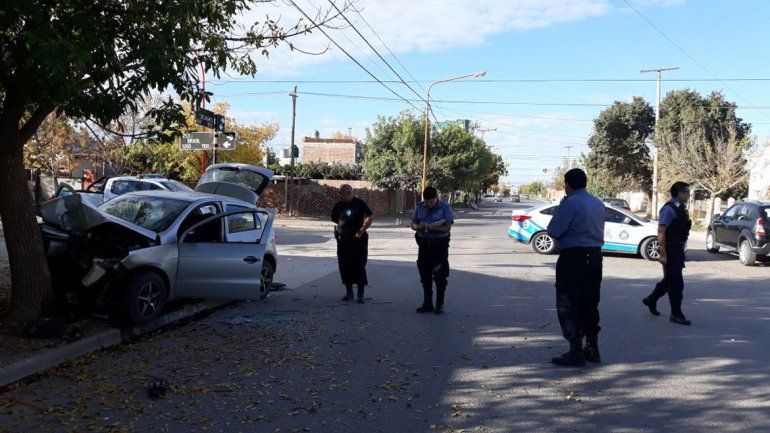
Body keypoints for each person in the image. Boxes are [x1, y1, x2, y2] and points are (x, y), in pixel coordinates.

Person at [546, 168, 605, 367]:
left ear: (567, 184)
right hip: (595, 257)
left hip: (574, 258)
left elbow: (554, 230)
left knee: (568, 304)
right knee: (590, 303)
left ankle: (575, 351)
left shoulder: (570, 203)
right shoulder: (597, 202)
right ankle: (592, 348)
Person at [642, 181, 693, 325]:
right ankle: (675, 314)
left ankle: (651, 299)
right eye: (686, 192)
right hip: (670, 249)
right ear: (678, 193)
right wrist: (662, 252)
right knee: (676, 283)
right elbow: (661, 231)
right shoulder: (668, 209)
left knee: (670, 279)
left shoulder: (681, 208)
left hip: (678, 249)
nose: (688, 195)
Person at [411, 186, 454, 314]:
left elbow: (447, 228)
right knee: (425, 274)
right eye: (427, 201)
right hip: (424, 244)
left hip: (439, 245)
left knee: (440, 275)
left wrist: (433, 228)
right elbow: (413, 224)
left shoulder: (445, 208)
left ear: (436, 198)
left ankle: (439, 304)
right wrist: (420, 226)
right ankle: (427, 303)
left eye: (431, 201)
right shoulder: (420, 207)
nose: (429, 204)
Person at [330, 184, 373, 303]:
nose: (342, 196)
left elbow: (369, 216)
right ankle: (349, 292)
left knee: (359, 265)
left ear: (350, 193)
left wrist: (362, 230)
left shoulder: (359, 203)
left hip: (358, 239)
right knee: (344, 266)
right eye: (341, 194)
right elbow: (334, 218)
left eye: (344, 194)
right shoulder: (338, 205)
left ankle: (360, 294)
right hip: (343, 240)